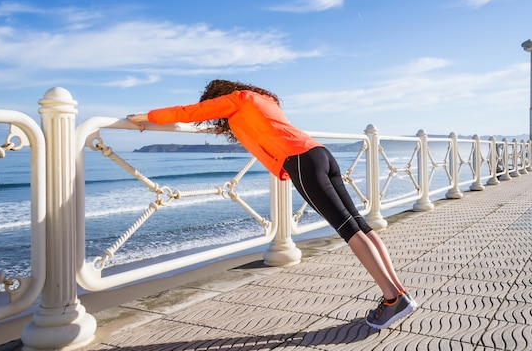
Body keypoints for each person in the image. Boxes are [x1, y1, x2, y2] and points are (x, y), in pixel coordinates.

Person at [127, 79, 417, 329]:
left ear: (218, 96)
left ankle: (391, 299)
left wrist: (145, 116)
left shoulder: (235, 100)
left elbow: (188, 112)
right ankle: (398, 293)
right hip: (320, 154)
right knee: (360, 226)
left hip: (301, 162)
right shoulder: (261, 100)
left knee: (348, 230)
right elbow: (254, 129)